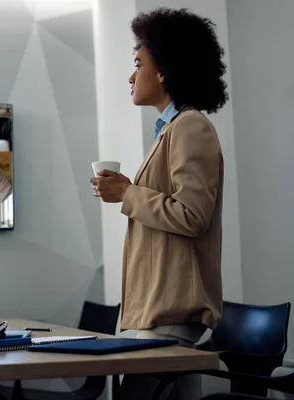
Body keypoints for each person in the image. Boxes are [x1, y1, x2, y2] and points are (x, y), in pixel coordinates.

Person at [90, 7, 227, 400]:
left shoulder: (190, 126)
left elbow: (192, 215)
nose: (132, 76)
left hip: (167, 313)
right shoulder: (171, 129)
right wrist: (128, 191)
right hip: (156, 311)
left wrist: (127, 194)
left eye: (139, 64)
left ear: (163, 71)